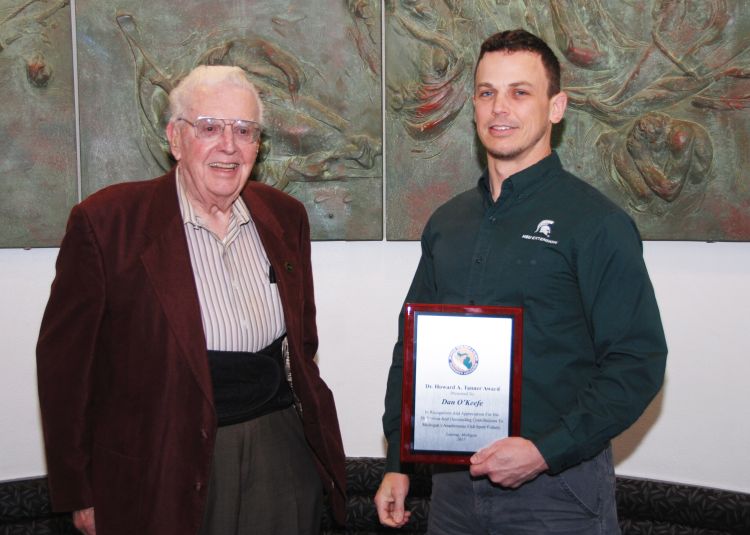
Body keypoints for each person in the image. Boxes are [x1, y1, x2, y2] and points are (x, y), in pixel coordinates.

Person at [374, 29, 668, 534]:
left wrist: (542, 451)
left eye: (520, 92)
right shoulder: (448, 222)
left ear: (557, 108)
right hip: (452, 492)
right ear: (473, 107)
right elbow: (413, 347)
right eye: (487, 92)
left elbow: (637, 362)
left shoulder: (596, 223)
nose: (499, 108)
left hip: (556, 493)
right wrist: (399, 461)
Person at [36, 65, 346, 535]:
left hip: (277, 452)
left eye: (244, 130)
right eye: (209, 127)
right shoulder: (107, 225)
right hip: (161, 461)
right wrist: (80, 490)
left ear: (257, 146)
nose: (229, 145)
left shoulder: (286, 218)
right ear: (175, 138)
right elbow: (65, 370)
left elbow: (301, 344)